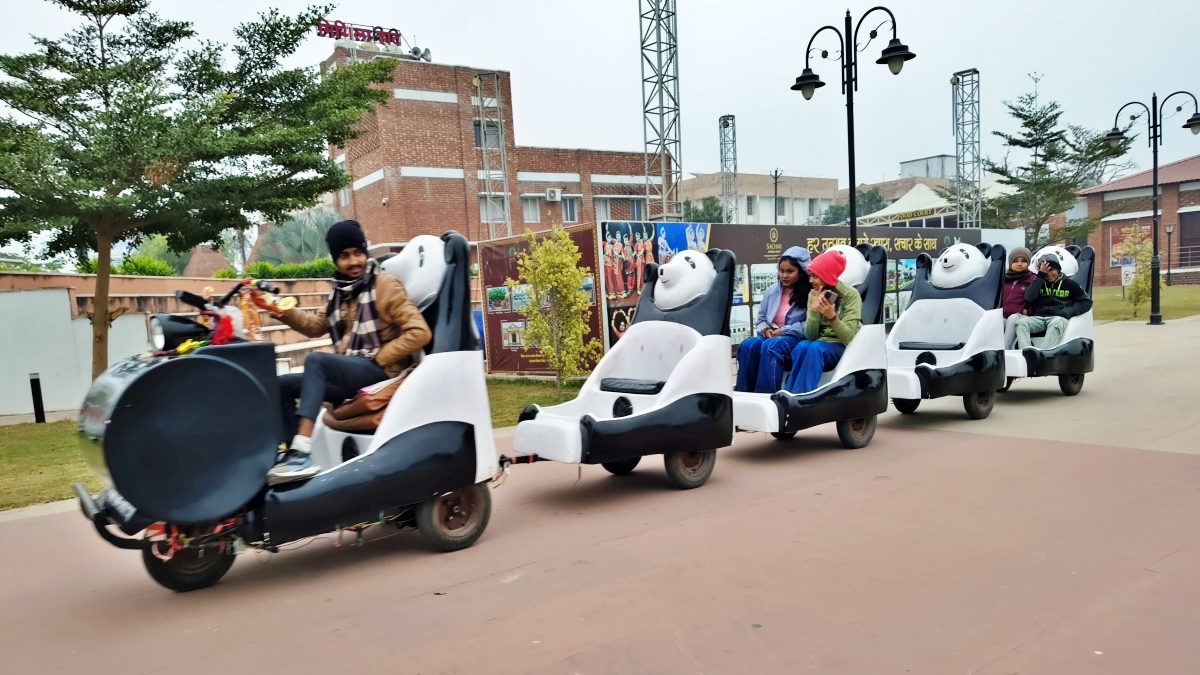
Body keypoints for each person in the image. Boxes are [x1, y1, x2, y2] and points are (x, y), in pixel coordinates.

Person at [254, 221, 432, 485]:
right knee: (283, 386)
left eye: (357, 253)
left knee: (317, 361)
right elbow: (316, 327)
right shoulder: (339, 291)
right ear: (335, 260)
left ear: (365, 251)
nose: (353, 261)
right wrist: (280, 310)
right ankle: (294, 458)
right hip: (353, 372)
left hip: (380, 372)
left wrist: (381, 357)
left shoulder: (385, 286)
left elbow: (420, 332)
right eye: (344, 256)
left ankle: (301, 451)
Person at [734, 247, 812, 393]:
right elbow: (762, 319)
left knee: (771, 346)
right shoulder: (771, 291)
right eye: (781, 271)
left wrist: (781, 332)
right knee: (748, 345)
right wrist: (765, 330)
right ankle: (743, 395)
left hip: (796, 340)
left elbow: (809, 325)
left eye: (790, 271)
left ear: (801, 272)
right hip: (770, 337)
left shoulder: (810, 293)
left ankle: (767, 399)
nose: (784, 276)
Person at [784, 250, 861, 394]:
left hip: (840, 347)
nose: (810, 281)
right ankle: (790, 396)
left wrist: (832, 317)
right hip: (818, 343)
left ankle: (802, 399)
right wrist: (814, 311)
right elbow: (811, 336)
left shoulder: (851, 295)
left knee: (815, 348)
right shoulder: (813, 294)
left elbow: (848, 337)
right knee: (803, 345)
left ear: (827, 276)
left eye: (814, 276)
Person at [1015, 255, 1092, 350]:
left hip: (1058, 318)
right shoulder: (1039, 283)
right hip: (1039, 317)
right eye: (1045, 271)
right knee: (1021, 323)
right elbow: (1029, 297)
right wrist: (1040, 277)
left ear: (1058, 270)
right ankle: (1026, 352)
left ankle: (1042, 354)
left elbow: (1086, 302)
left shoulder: (1069, 284)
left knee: (1057, 322)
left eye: (1052, 270)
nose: (1049, 274)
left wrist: (1067, 312)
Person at [1001, 247, 1038, 348]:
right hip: (1003, 315)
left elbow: (1039, 300)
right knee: (993, 320)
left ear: (1028, 262)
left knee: (1012, 319)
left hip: (1021, 316)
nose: (1019, 264)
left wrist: (1028, 311)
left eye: (1023, 261)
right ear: (1010, 262)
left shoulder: (1033, 279)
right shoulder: (1003, 278)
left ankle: (1004, 351)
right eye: (1016, 261)